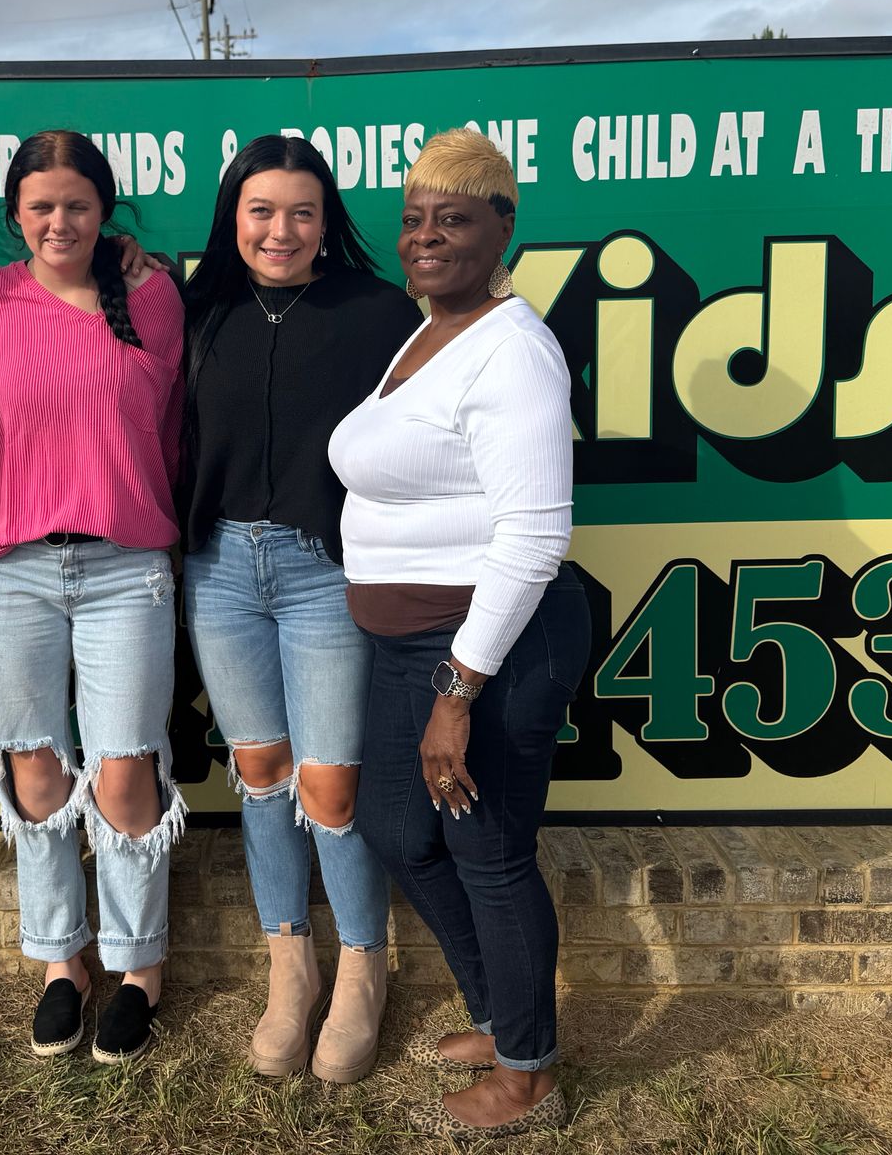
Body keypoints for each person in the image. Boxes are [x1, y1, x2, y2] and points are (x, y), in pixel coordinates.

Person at [328, 127, 589, 1137]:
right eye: (413, 220)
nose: (426, 238)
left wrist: (458, 691)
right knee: (401, 830)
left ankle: (529, 1076)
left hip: (486, 652)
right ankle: (500, 1015)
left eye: (454, 219)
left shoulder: (515, 349)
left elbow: (532, 536)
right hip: (406, 647)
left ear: (502, 227)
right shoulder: (430, 329)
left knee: (489, 851)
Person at [179, 134, 421, 1082]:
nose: (281, 231)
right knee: (262, 772)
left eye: (302, 212)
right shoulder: (198, 306)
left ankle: (363, 966)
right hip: (221, 568)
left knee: (332, 786)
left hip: (327, 571)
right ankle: (292, 966)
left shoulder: (377, 313)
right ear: (233, 218)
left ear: (328, 221)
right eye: (261, 211)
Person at [0, 130, 185, 1064]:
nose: (59, 222)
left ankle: (138, 966)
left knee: (126, 772)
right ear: (15, 214)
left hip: (128, 567)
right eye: (41, 206)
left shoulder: (154, 295)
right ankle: (62, 960)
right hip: (13, 570)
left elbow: (177, 423)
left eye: (77, 205)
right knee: (37, 774)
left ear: (105, 212)